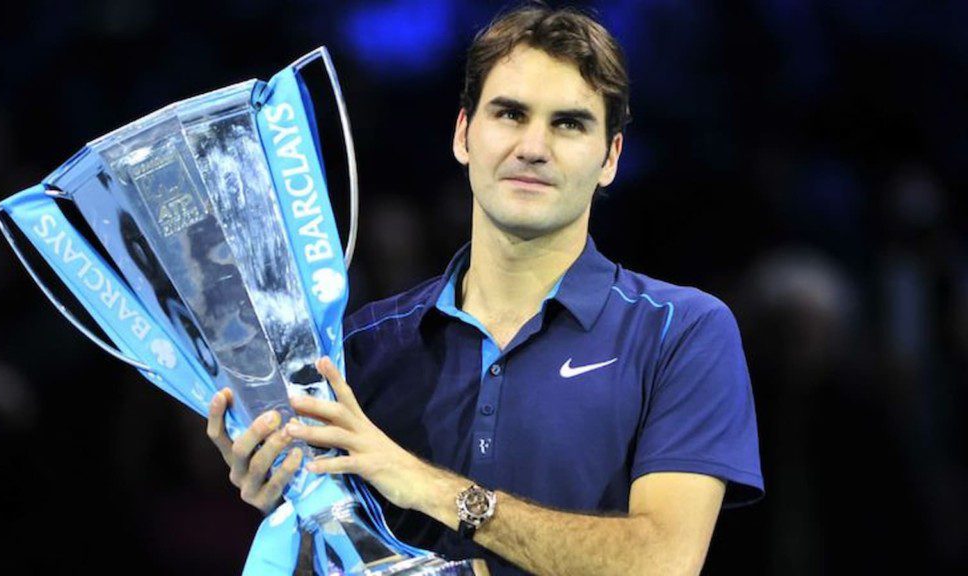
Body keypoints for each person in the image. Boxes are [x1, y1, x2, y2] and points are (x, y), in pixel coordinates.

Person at [206, 4, 763, 575]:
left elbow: (663, 564)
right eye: (510, 113)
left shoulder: (682, 331)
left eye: (569, 123)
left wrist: (428, 486)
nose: (533, 146)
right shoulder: (361, 346)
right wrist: (278, 480)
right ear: (464, 135)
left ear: (610, 158)